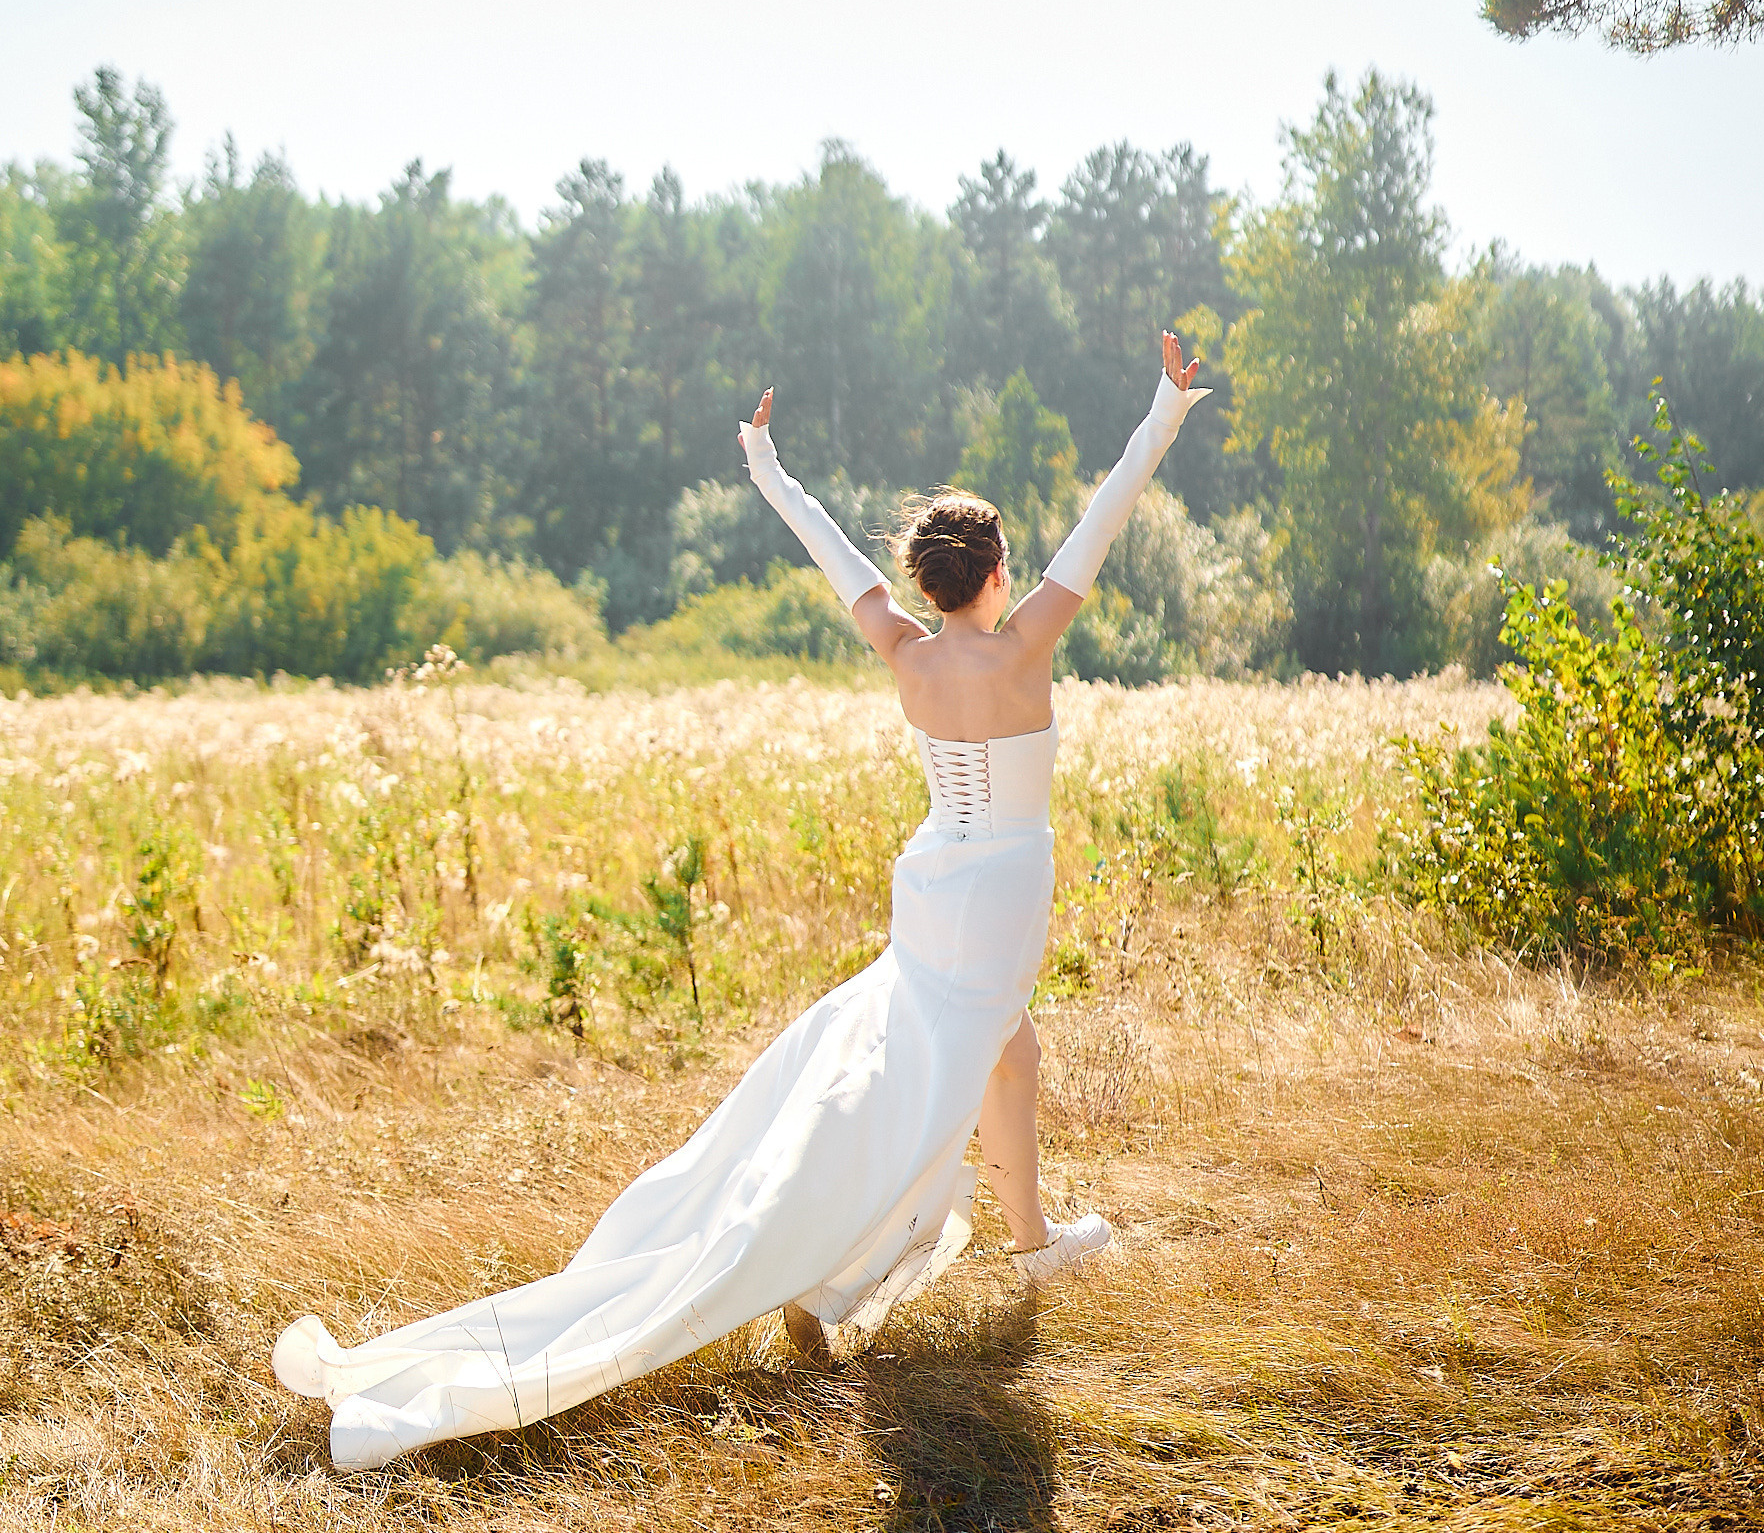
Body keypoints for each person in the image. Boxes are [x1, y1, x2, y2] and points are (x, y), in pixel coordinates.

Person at [270, 336, 1207, 1471]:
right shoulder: (1024, 651)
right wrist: (1163, 409)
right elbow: (1106, 516)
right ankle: (845, 1265)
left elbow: (837, 562)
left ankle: (1030, 1239)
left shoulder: (906, 654)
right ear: (998, 571)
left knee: (1005, 1052)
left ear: (926, 583)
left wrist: (770, 471)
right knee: (956, 1075)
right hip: (1000, 890)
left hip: (934, 887)